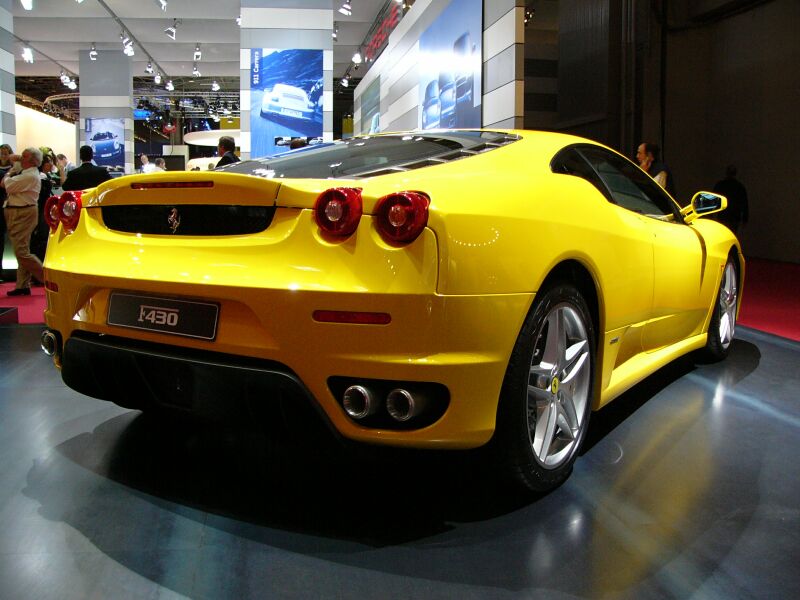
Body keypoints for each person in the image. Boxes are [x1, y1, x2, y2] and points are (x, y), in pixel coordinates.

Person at [1, 147, 44, 296]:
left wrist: (9, 172)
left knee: (21, 252)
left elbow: (5, 184)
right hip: (20, 211)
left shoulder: (29, 176)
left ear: (32, 161)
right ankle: (22, 285)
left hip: (22, 212)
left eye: (24, 157)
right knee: (22, 249)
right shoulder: (27, 173)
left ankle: (47, 278)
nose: (21, 159)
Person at [712, 165, 749, 235]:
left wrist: (710, 215)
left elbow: (713, 200)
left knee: (723, 235)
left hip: (723, 216)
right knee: (732, 235)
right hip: (734, 217)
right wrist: (745, 219)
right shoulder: (740, 187)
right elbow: (744, 203)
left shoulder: (720, 185)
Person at [0, 143, 13, 280]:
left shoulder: (13, 170)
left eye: (5, 153)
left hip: (8, 206)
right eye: (1, 153)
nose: (3, 155)